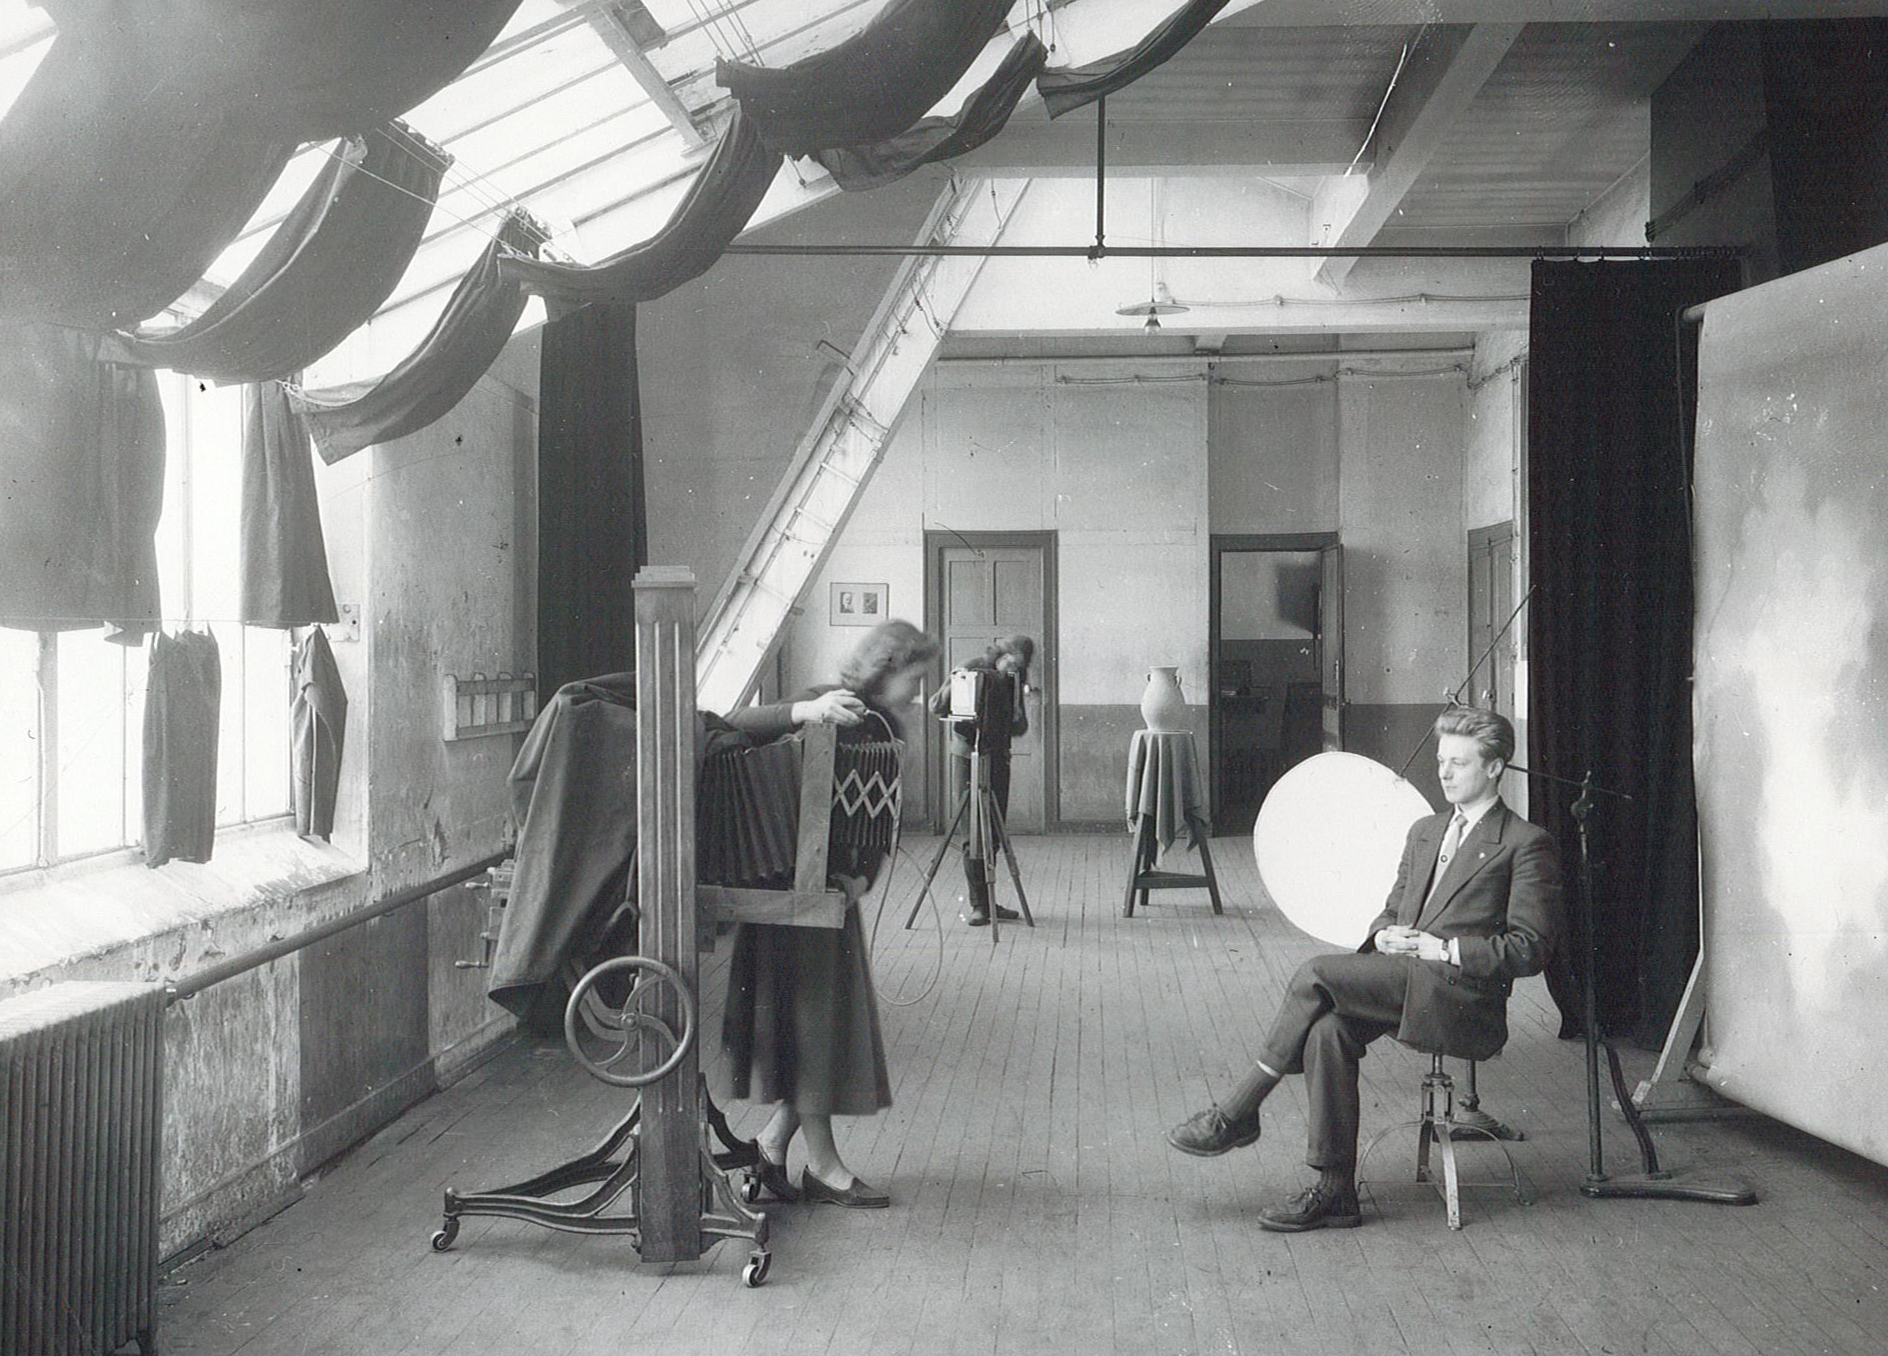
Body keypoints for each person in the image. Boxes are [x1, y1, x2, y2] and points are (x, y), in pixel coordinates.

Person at [1166, 706, 1560, 1231]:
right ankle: (1335, 1191)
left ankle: (1237, 1113)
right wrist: (1383, 934)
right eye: (1441, 760)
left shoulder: (1524, 843)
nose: (1443, 773)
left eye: (1458, 763)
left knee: (1316, 973)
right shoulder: (1425, 830)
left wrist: (1440, 951)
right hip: (1402, 979)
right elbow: (1392, 909)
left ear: (1494, 769)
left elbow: (1529, 948)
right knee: (1326, 1032)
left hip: (1461, 996)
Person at [718, 619, 939, 1209]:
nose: (919, 693)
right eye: (914, 680)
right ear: (884, 669)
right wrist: (800, 716)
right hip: (786, 895)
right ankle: (824, 1166)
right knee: (814, 1031)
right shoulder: (823, 699)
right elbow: (727, 726)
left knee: (818, 1030)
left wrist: (864, 876)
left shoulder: (887, 726)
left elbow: (880, 815)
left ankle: (771, 1147)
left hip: (832, 900)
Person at [927, 634, 1034, 927]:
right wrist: (962, 691)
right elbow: (936, 705)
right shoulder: (969, 667)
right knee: (973, 830)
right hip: (967, 758)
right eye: (1012, 660)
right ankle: (978, 905)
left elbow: (1020, 725)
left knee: (995, 831)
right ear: (1002, 652)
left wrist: (1009, 711)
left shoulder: (1015, 676)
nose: (1014, 666)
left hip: (999, 757)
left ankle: (987, 902)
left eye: (1020, 664)